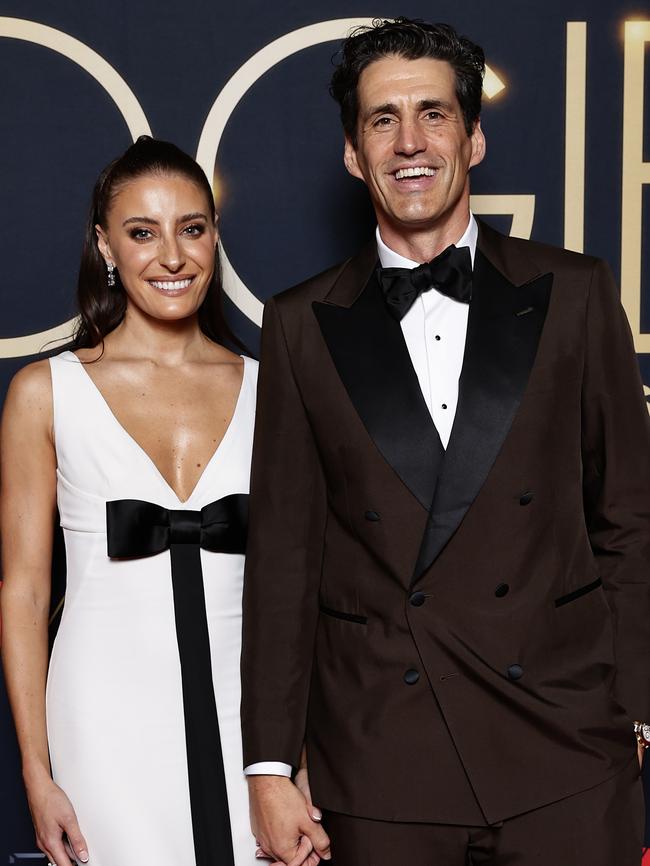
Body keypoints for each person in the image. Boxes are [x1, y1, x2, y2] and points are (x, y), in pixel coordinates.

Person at [241, 18, 650, 866]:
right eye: (382, 119)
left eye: (433, 113)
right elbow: (285, 555)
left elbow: (630, 517)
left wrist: (636, 707)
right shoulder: (298, 324)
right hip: (382, 757)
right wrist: (271, 766)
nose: (410, 142)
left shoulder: (573, 292)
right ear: (354, 153)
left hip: (565, 748)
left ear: (474, 135)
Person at [0, 136, 260, 866]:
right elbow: (23, 591)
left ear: (215, 236)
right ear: (104, 246)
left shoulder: (274, 391)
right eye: (142, 233)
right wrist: (36, 769)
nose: (172, 257)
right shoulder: (45, 393)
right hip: (102, 714)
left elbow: (304, 590)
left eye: (193, 228)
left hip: (251, 720)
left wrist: (298, 755)